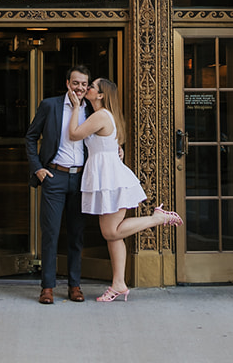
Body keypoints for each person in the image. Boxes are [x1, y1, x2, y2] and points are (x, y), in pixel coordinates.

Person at [68, 77, 182, 303]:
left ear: (100, 95)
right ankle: (118, 284)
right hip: (107, 176)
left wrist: (73, 107)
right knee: (113, 236)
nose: (87, 88)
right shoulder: (105, 115)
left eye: (91, 87)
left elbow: (74, 134)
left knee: (111, 232)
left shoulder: (100, 115)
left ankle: (156, 219)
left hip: (109, 179)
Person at [24, 63, 91, 304]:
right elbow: (31, 137)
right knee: (51, 233)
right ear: (67, 84)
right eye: (76, 83)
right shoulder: (50, 105)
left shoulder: (92, 110)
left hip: (82, 179)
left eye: (84, 84)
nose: (80, 88)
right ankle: (48, 287)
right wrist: (38, 169)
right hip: (55, 176)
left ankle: (75, 285)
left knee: (76, 234)